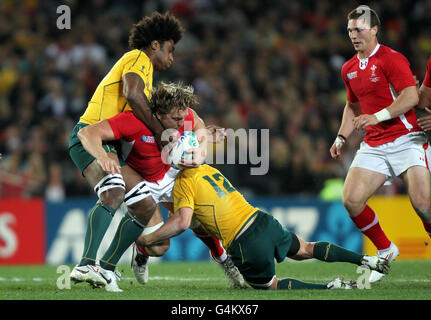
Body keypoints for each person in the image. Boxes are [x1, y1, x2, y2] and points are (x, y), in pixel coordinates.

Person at [75, 82, 244, 291]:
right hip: (142, 182)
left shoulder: (185, 115)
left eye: (183, 117)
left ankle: (223, 259)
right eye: (175, 119)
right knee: (160, 247)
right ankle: (141, 250)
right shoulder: (133, 121)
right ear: (158, 114)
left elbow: (199, 127)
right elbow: (87, 133)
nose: (182, 122)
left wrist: (200, 150)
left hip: (170, 176)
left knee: (201, 218)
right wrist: (102, 156)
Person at [68, 12, 189, 289]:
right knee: (113, 192)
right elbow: (133, 94)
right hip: (90, 135)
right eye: (171, 49)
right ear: (155, 45)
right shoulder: (138, 58)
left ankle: (107, 269)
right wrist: (160, 133)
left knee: (145, 207)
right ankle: (86, 264)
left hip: (111, 144)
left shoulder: (146, 74)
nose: (172, 58)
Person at [137, 163, 390, 290]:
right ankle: (365, 260)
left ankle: (330, 287)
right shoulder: (207, 168)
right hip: (263, 220)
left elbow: (182, 221)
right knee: (305, 248)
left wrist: (148, 240)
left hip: (245, 243)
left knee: (271, 286)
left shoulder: (182, 183)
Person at [330, 6, 431, 283]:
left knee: (423, 205)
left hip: (407, 138)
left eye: (359, 29)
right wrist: (341, 136)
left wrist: (376, 116)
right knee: (351, 200)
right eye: (350, 30)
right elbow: (351, 106)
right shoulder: (348, 68)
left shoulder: (391, 58)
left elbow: (411, 97)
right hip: (374, 143)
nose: (353, 34)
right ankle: (386, 249)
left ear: (375, 29)